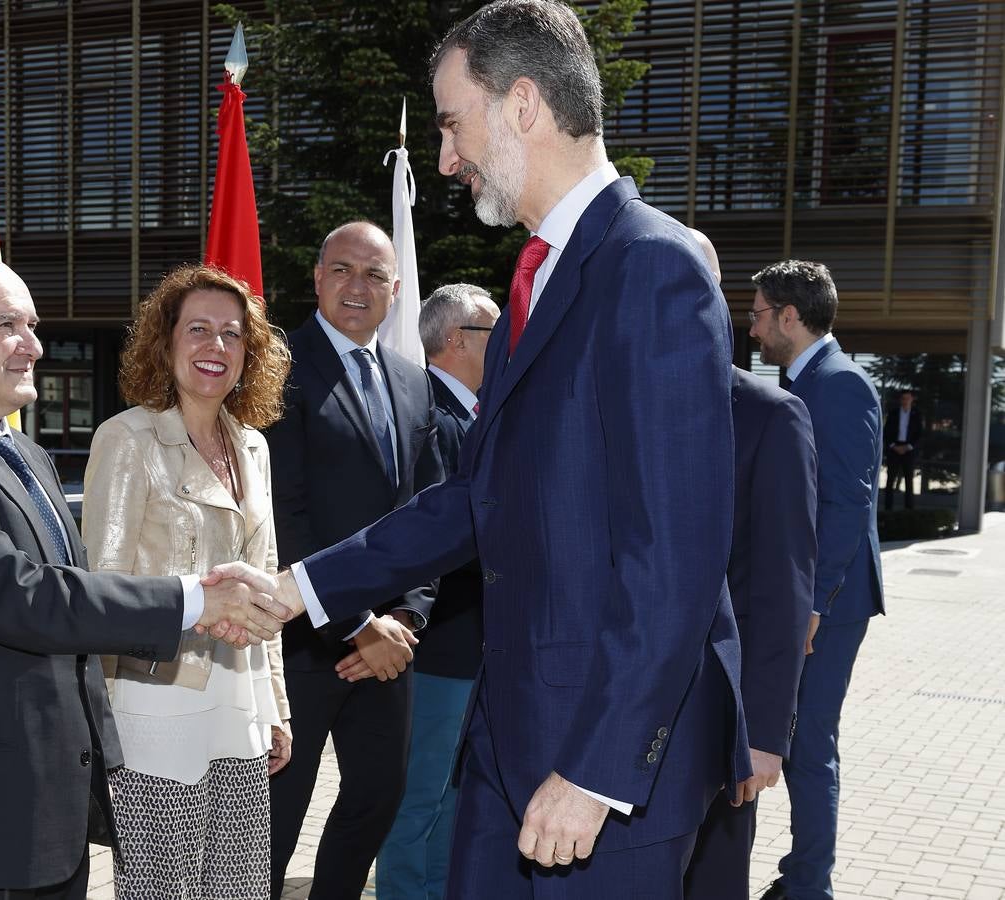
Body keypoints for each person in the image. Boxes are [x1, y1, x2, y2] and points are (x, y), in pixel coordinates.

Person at [213, 2, 748, 895]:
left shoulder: (651, 267)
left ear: (524, 104)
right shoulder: (539, 279)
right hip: (511, 740)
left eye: (454, 123)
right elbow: (477, 497)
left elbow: (677, 558)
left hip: (600, 769)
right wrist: (294, 589)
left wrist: (601, 772)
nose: (446, 158)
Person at [0, 255, 285, 900]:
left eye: (33, 325)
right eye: (7, 326)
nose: (34, 346)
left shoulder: (24, 456)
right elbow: (24, 597)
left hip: (42, 820)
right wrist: (197, 600)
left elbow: (69, 602)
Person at [81, 265, 293, 899]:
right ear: (164, 341)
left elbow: (268, 587)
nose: (216, 347)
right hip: (156, 703)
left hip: (241, 697)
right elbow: (103, 588)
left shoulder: (253, 446)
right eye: (197, 329)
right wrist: (101, 717)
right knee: (162, 888)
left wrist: (277, 705)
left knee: (239, 885)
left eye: (232, 334)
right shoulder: (126, 439)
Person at [264, 220, 444, 899]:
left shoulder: (411, 381)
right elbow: (286, 515)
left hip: (389, 647)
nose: (357, 286)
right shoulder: (278, 371)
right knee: (279, 820)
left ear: (396, 291)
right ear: (317, 280)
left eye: (374, 274)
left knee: (377, 799)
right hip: (304, 641)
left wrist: (404, 619)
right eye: (342, 269)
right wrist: (358, 620)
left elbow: (431, 515)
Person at [682, 232, 818, 899]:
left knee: (711, 882)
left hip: (718, 724)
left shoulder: (770, 416)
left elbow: (781, 585)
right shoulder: (601, 400)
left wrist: (764, 733)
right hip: (611, 720)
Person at [747, 260, 884, 900]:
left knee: (808, 743)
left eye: (757, 314)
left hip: (828, 602)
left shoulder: (841, 385)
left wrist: (814, 604)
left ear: (790, 317)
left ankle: (810, 885)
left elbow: (848, 506)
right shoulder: (805, 381)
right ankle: (802, 873)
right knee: (794, 736)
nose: (751, 329)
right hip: (804, 596)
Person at [374, 283, 499, 900]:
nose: (506, 346)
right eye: (494, 333)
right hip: (440, 647)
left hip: (473, 648)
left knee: (455, 793)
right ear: (455, 341)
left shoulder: (476, 419)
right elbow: (426, 540)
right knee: (420, 797)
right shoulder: (434, 422)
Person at [884, 389, 922, 510]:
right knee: (890, 481)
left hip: (909, 450)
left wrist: (908, 446)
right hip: (894, 449)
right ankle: (888, 510)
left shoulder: (917, 414)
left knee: (909, 481)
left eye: (908, 398)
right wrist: (893, 446)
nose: (905, 401)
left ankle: (909, 510)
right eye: (903, 398)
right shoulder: (893, 413)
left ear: (912, 399)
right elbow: (887, 432)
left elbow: (919, 434)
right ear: (900, 400)